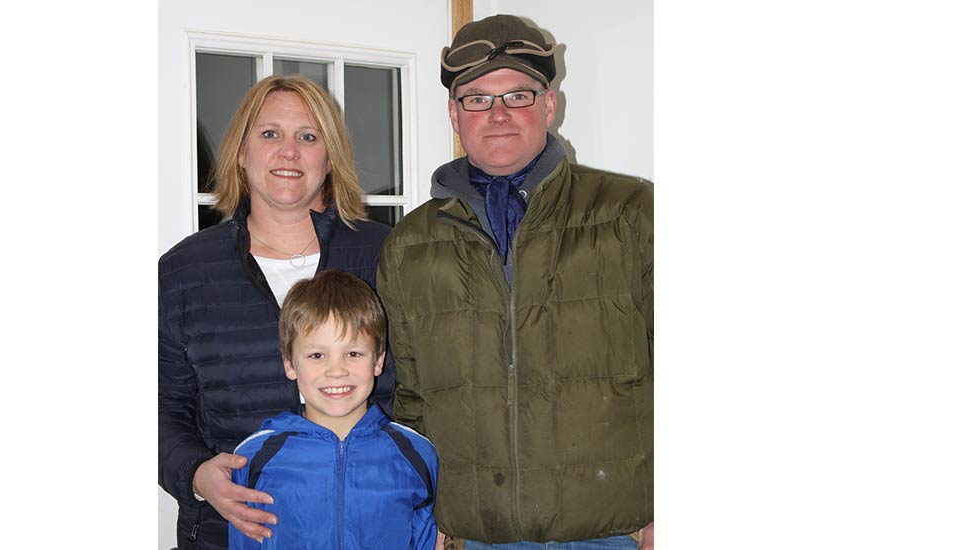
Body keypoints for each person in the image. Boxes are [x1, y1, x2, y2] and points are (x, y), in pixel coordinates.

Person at [375, 14, 654, 550]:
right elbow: (407, 402)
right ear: (454, 115)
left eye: (518, 95)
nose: (498, 114)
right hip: (474, 536)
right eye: (477, 99)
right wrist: (424, 513)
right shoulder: (409, 245)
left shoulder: (630, 214)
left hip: (617, 531)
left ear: (550, 104)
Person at [159, 75, 395, 550]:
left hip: (369, 529)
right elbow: (156, 405)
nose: (289, 152)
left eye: (308, 137)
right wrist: (197, 474)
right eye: (269, 134)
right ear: (241, 153)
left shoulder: (385, 255)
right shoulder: (184, 270)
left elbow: (421, 392)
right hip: (227, 535)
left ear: (329, 159)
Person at [228, 269, 438, 549]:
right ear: (290, 364)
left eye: (353, 354)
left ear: (378, 361)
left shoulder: (417, 455)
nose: (336, 371)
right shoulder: (252, 459)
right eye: (317, 355)